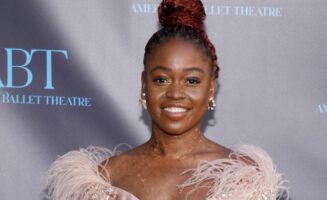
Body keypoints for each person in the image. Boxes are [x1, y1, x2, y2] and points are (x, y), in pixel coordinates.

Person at [45, 0, 289, 199]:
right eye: (161, 79)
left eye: (191, 81)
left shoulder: (244, 179)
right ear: (144, 85)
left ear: (211, 88)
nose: (175, 93)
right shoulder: (105, 177)